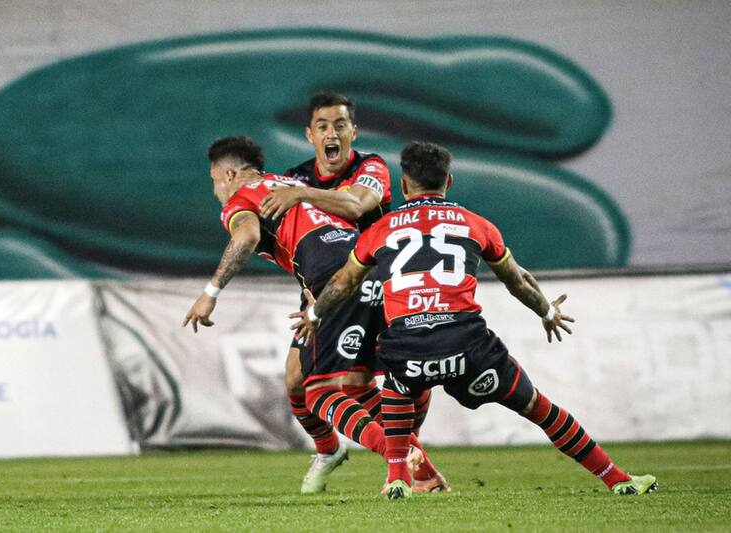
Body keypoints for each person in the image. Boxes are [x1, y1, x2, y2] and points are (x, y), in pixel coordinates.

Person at [292, 141, 658, 500]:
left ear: (404, 185)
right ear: (448, 182)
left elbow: (343, 282)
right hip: (467, 346)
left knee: (396, 378)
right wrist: (547, 311)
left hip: (409, 351)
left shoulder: (380, 230)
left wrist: (313, 314)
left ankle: (397, 479)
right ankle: (617, 479)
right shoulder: (476, 224)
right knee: (538, 408)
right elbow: (517, 279)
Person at [182, 136, 444, 493]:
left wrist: (210, 293)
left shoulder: (242, 199)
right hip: (369, 267)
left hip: (332, 280)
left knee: (318, 392)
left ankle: (403, 458)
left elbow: (245, 238)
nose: (216, 191)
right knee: (307, 377)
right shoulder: (293, 184)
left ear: (228, 174)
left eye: (214, 181)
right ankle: (332, 451)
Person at [258, 92, 437, 493]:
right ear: (309, 134)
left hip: (378, 284)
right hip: (328, 292)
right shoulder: (295, 177)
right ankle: (330, 449)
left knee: (373, 382)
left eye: (340, 125)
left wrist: (301, 195)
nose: (332, 133)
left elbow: (358, 206)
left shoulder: (369, 167)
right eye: (323, 126)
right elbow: (289, 241)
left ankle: (411, 458)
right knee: (295, 379)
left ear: (353, 131)